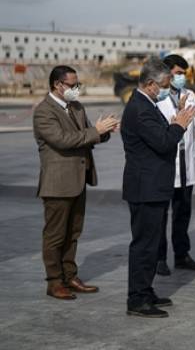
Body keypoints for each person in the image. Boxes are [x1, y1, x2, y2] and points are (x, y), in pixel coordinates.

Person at [33, 65, 119, 300]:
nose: (76, 89)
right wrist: (95, 131)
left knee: (73, 232)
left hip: (78, 180)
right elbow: (63, 140)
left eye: (77, 85)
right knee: (55, 235)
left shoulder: (76, 107)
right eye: (72, 85)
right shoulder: (44, 111)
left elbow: (87, 136)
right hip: (58, 183)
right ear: (57, 85)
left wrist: (106, 130)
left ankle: (70, 275)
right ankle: (54, 281)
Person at [121, 59, 195, 318]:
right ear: (151, 84)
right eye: (164, 85)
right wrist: (179, 125)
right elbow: (164, 143)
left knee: (152, 244)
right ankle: (137, 299)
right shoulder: (141, 109)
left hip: (153, 185)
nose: (167, 89)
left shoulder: (147, 104)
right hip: (146, 187)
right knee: (143, 245)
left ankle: (145, 290)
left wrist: (174, 124)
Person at [155, 54, 195, 276]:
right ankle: (158, 258)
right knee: (160, 216)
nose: (181, 77)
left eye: (183, 73)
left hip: (187, 163)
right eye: (178, 73)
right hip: (167, 164)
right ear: (166, 74)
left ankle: (181, 255)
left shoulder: (190, 95)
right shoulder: (158, 98)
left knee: (183, 212)